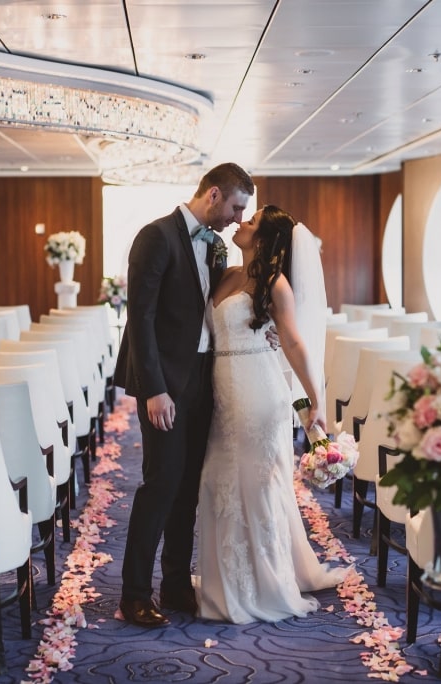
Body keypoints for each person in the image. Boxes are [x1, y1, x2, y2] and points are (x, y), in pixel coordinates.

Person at [113, 162, 256, 627]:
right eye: (236, 207)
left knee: (189, 487)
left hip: (203, 377)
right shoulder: (155, 236)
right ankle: (134, 594)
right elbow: (140, 319)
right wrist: (154, 389)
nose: (238, 219)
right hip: (164, 384)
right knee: (161, 484)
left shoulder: (214, 246)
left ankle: (175, 585)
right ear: (214, 194)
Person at [195, 204, 349, 624]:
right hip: (222, 392)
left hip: (259, 393)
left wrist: (314, 398)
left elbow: (295, 343)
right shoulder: (227, 275)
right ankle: (224, 579)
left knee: (256, 485)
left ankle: (263, 582)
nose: (241, 223)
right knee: (217, 482)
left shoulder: (275, 284)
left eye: (252, 221)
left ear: (263, 238)